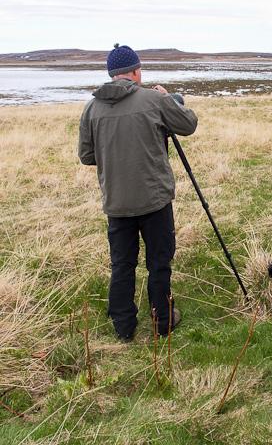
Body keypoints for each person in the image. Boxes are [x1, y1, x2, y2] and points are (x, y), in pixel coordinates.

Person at [78, 44, 198, 341]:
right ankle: (163, 321)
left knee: (122, 264)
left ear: (111, 74)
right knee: (159, 262)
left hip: (117, 203)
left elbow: (86, 155)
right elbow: (188, 124)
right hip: (154, 200)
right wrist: (169, 99)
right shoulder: (153, 99)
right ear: (135, 71)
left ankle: (123, 326)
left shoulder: (91, 107)